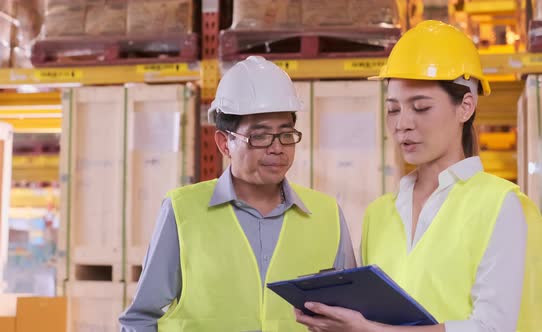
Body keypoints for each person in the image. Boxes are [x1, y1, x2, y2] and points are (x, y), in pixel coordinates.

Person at [295, 20, 542, 332]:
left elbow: (493, 327)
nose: (403, 124)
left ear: (465, 107)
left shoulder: (499, 206)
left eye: (421, 108)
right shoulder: (379, 213)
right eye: (394, 109)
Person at [119, 55, 356, 332]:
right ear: (224, 143)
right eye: (260, 136)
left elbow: (348, 319)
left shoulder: (326, 214)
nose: (277, 148)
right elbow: (141, 319)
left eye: (286, 134)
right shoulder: (182, 211)